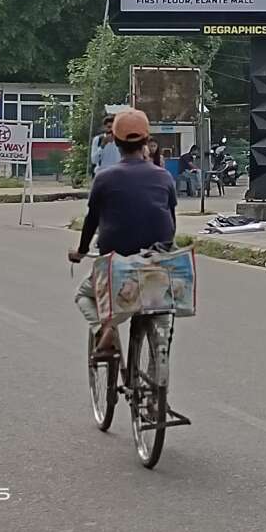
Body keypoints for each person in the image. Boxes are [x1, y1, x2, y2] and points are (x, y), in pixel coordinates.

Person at [68, 109, 178, 358]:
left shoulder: (104, 177)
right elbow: (170, 222)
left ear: (115, 142)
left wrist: (81, 251)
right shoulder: (163, 176)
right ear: (146, 141)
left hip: (116, 262)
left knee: (83, 295)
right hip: (155, 260)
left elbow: (92, 221)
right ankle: (161, 358)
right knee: (162, 307)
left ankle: (103, 330)